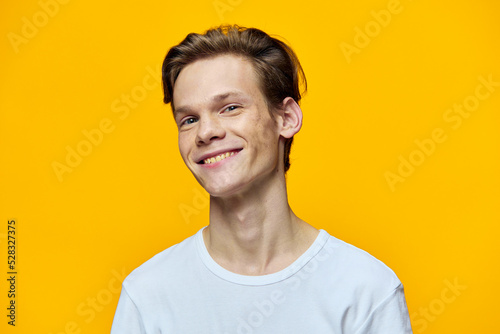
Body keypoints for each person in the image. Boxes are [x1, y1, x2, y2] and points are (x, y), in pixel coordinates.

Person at [110, 24, 413, 333]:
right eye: (189, 119)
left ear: (286, 119)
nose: (205, 132)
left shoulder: (366, 290)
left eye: (229, 108)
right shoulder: (146, 295)